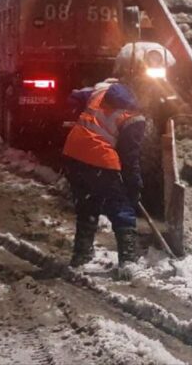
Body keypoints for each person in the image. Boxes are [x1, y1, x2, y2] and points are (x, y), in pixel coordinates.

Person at [62, 82, 147, 267]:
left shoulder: (99, 93)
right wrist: (134, 187)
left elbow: (74, 96)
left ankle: (81, 255)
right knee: (121, 206)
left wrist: (78, 117)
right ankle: (128, 260)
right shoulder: (134, 119)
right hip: (101, 160)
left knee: (87, 204)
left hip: (73, 154)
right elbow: (129, 159)